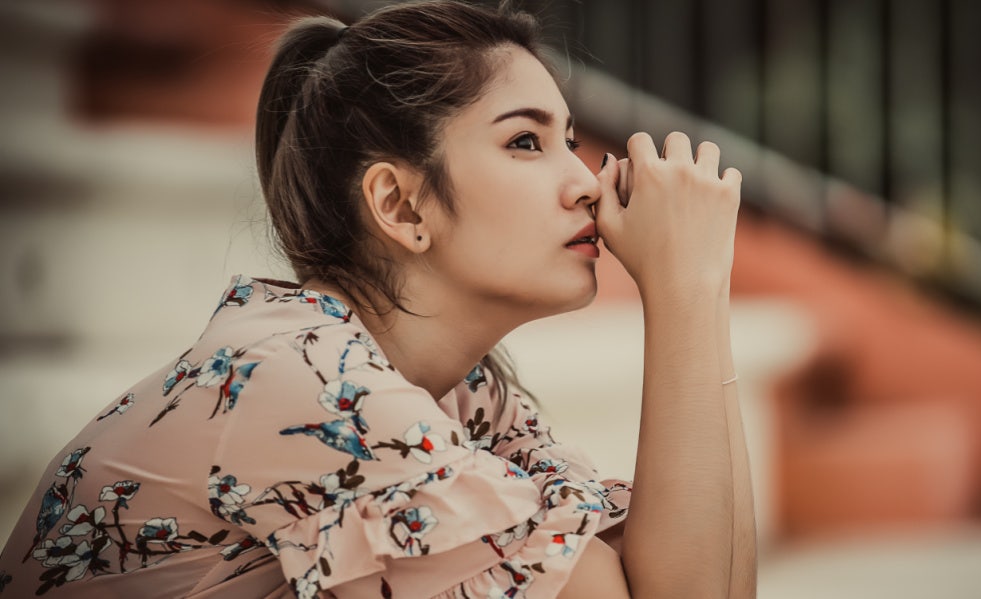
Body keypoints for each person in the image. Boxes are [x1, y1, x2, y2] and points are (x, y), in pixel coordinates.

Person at [0, 1, 755, 596]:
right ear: (400, 206)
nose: (587, 182)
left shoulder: (463, 393)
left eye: (571, 142)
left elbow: (709, 583)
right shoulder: (308, 380)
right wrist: (683, 290)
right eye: (526, 141)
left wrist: (703, 287)